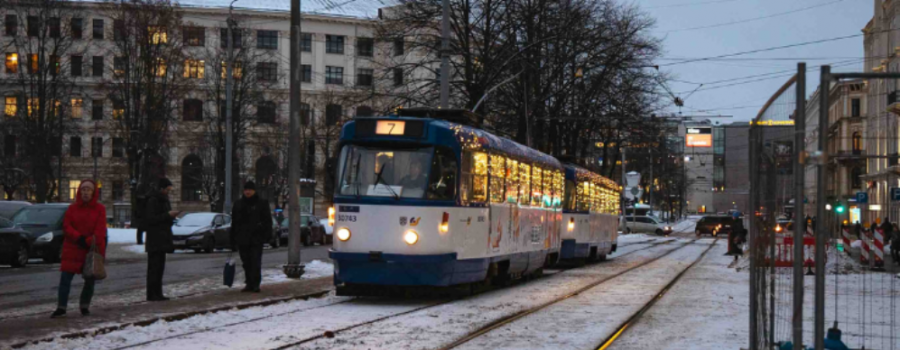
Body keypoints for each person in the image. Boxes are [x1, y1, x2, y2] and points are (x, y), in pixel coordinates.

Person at [51, 180, 107, 318]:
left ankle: (84, 306)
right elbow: (67, 226)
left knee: (89, 280)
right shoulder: (72, 209)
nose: (85, 192)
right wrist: (79, 238)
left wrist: (89, 241)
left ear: (93, 192)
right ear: (79, 192)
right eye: (83, 189)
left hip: (90, 250)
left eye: (89, 190)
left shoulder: (100, 209)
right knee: (65, 279)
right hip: (73, 248)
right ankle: (61, 307)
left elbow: (100, 230)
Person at [231, 181, 272, 293]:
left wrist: (266, 235)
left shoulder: (261, 203)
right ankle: (249, 283)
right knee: (246, 262)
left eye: (250, 190)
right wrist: (233, 239)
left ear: (254, 191)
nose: (248, 192)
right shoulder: (238, 204)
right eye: (246, 190)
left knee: (255, 261)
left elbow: (267, 221)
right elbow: (234, 222)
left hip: (256, 238)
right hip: (242, 238)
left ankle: (255, 284)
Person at [144, 178, 179, 301]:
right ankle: (152, 294)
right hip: (155, 239)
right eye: (167, 189)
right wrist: (167, 215)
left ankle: (158, 293)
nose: (168, 192)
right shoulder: (153, 200)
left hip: (162, 237)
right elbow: (151, 219)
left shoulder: (163, 199)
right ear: (161, 188)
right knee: (154, 268)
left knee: (159, 268)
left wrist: (170, 217)